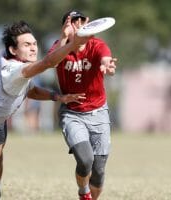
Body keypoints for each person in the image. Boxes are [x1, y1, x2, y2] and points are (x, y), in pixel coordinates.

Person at [0, 20, 88, 200]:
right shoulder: (13, 70)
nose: (33, 48)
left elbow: (32, 90)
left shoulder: (18, 63)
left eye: (35, 44)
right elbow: (48, 63)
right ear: (13, 50)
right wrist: (72, 43)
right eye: (27, 45)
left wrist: (58, 97)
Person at [48, 10, 117, 200]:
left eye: (83, 22)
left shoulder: (97, 45)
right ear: (65, 28)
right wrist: (64, 39)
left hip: (98, 112)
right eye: (74, 22)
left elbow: (105, 58)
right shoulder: (59, 47)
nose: (80, 26)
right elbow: (51, 61)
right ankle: (83, 192)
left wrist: (108, 66)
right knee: (85, 159)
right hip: (72, 114)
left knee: (99, 170)